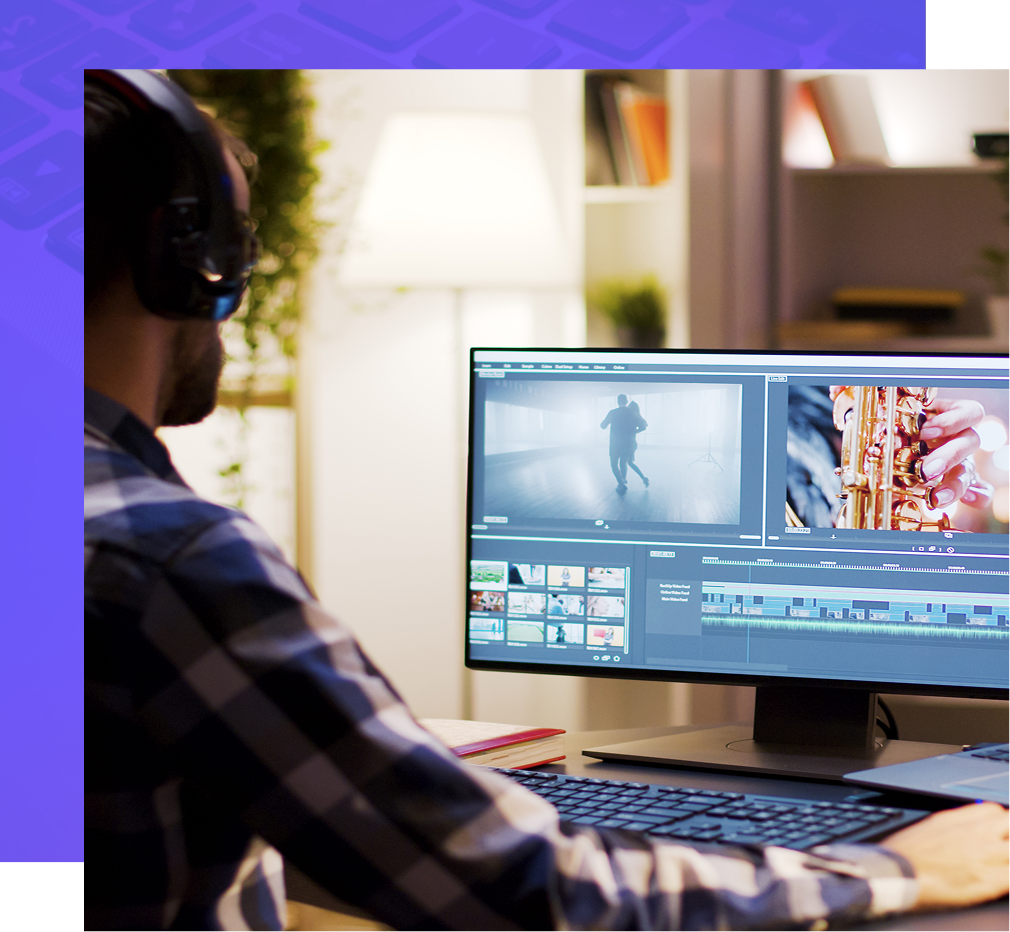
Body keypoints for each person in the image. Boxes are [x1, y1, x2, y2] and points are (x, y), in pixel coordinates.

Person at [85, 71, 1010, 932]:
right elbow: (529, 885)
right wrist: (893, 868)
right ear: (185, 262)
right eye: (235, 247)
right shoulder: (168, 562)